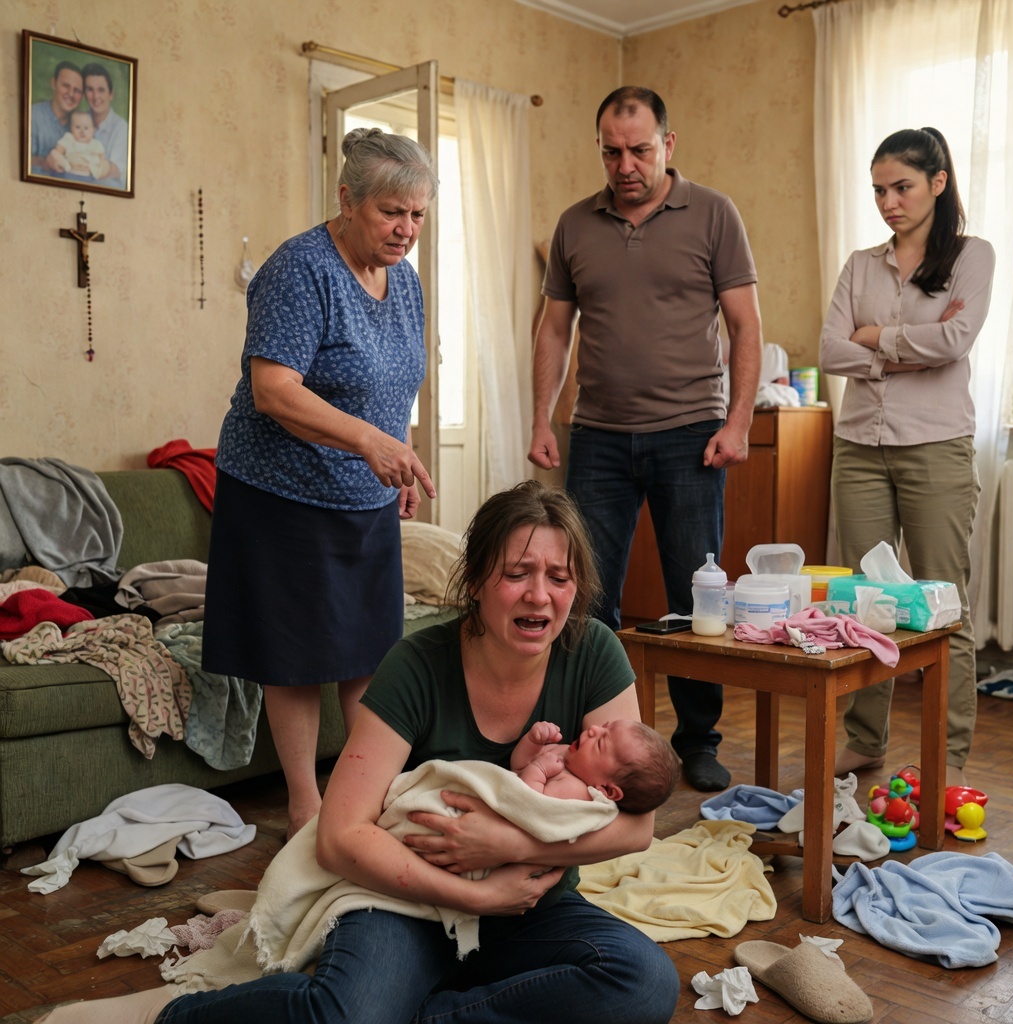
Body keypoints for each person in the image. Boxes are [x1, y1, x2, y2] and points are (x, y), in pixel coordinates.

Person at [40, 480, 680, 1024]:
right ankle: (176, 1016)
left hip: (528, 901)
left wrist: (510, 849)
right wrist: (474, 898)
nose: (540, 595)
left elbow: (636, 825)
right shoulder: (418, 663)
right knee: (346, 1015)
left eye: (558, 578)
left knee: (645, 982)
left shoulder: (592, 650)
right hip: (406, 901)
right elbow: (340, 836)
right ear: (478, 581)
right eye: (517, 574)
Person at [202, 127, 438, 840]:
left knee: (368, 654)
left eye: (418, 215)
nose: (405, 229)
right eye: (391, 212)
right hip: (281, 493)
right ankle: (305, 808)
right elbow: (273, 390)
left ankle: (360, 795)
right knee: (297, 659)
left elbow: (397, 383)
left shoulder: (406, 282)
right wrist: (370, 442)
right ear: (347, 199)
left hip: (361, 496)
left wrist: (398, 457)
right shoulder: (298, 270)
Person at [530, 85, 764, 793]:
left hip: (691, 433)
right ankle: (586, 734)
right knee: (584, 593)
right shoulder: (575, 225)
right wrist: (541, 416)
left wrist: (739, 421)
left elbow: (746, 326)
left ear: (668, 144)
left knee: (696, 597)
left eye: (638, 148)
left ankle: (697, 740)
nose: (624, 164)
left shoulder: (715, 214)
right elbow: (553, 328)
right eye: (611, 150)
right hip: (597, 434)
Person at [819, 127, 995, 788]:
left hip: (937, 448)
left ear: (938, 183)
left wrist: (875, 338)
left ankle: (946, 757)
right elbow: (830, 347)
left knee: (944, 604)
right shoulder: (862, 263)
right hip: (858, 448)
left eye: (902, 187)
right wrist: (905, 344)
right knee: (870, 601)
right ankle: (865, 741)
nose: (888, 202)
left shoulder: (972, 256)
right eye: (878, 190)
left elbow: (955, 339)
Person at [512, 718, 680, 812]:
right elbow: (519, 767)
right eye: (603, 726)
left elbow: (529, 807)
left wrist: (538, 770)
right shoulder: (570, 757)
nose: (593, 729)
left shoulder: (575, 791)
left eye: (600, 743)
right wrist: (533, 741)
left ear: (606, 790)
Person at [81, 63, 129, 189]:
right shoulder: (78, 121)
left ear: (111, 94)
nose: (96, 96)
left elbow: (116, 173)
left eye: (101, 90)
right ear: (84, 93)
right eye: (90, 89)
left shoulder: (121, 128)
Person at [30, 60, 83, 173]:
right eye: (66, 86)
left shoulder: (82, 125)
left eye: (77, 90)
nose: (71, 94)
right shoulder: (33, 115)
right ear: (54, 83)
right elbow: (16, 159)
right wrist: (46, 162)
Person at [47, 110, 106, 178]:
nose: (82, 131)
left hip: (88, 174)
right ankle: (65, 166)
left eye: (86, 128)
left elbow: (102, 157)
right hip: (69, 171)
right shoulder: (70, 139)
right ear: (71, 129)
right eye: (77, 127)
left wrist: (97, 166)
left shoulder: (95, 144)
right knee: (54, 153)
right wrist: (59, 158)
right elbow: (58, 150)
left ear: (93, 130)